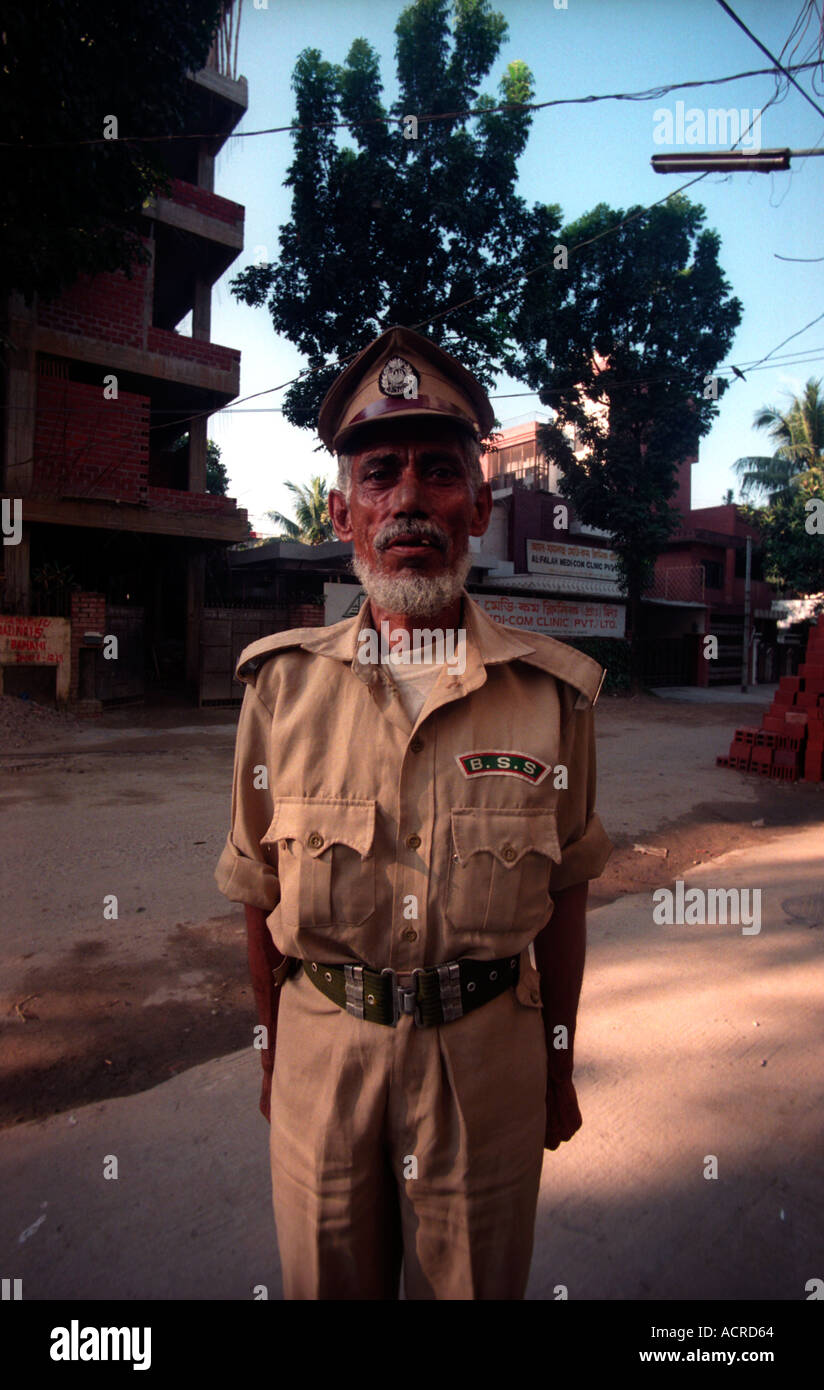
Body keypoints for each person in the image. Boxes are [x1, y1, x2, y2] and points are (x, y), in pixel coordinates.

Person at [215, 325, 612, 1300]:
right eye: (379, 472)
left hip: (486, 1069)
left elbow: (564, 900)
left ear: (478, 504)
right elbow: (256, 895)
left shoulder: (553, 699)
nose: (407, 500)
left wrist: (554, 1069)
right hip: (322, 1057)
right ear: (339, 508)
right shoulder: (278, 692)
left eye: (438, 472)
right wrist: (278, 1062)